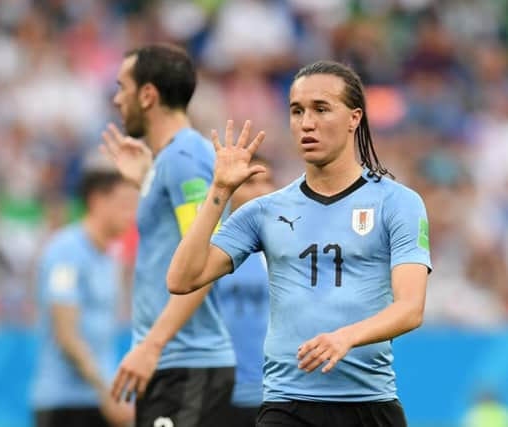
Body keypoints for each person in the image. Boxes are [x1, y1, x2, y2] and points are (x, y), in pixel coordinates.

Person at [167, 60, 432, 427]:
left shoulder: (397, 202)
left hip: (370, 403)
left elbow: (411, 308)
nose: (307, 122)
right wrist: (220, 190)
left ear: (354, 118)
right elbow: (182, 279)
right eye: (297, 111)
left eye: (321, 109)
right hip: (288, 405)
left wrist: (346, 337)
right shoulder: (265, 211)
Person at [101, 44, 235, 427]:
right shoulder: (171, 160)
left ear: (147, 95)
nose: (116, 99)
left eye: (122, 87)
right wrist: (148, 179)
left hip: (186, 362)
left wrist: (152, 345)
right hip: (172, 361)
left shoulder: (185, 156)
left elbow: (202, 259)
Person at [31, 158, 136, 427]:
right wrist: (105, 392)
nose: (131, 214)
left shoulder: (111, 256)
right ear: (97, 201)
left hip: (100, 400)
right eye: (124, 204)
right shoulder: (64, 252)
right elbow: (66, 335)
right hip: (65, 404)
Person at [216, 157, 274, 426]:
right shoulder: (211, 249)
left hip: (276, 395)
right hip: (218, 395)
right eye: (250, 182)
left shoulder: (290, 249)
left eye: (267, 181)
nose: (261, 190)